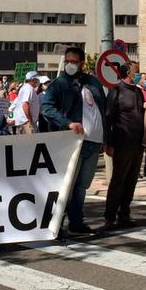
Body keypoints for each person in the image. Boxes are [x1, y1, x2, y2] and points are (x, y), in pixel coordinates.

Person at [42, 46, 108, 237]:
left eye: (74, 61)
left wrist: (105, 138)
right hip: (72, 142)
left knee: (82, 185)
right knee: (67, 185)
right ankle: (57, 224)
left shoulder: (93, 83)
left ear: (81, 63)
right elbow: (47, 107)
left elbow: (101, 111)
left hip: (93, 142)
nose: (70, 64)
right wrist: (67, 123)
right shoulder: (59, 84)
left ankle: (76, 222)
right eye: (67, 61)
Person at [103, 63, 146, 229]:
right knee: (118, 180)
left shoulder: (138, 91)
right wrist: (109, 143)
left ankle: (124, 215)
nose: (139, 73)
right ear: (128, 72)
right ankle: (110, 217)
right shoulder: (116, 91)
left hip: (138, 143)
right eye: (136, 70)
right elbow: (108, 118)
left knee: (131, 180)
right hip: (121, 142)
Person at [13, 70, 41, 135]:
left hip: (25, 122)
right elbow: (25, 105)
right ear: (33, 79)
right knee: (30, 143)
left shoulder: (25, 87)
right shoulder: (29, 88)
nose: (38, 81)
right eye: (37, 79)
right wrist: (30, 121)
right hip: (26, 123)